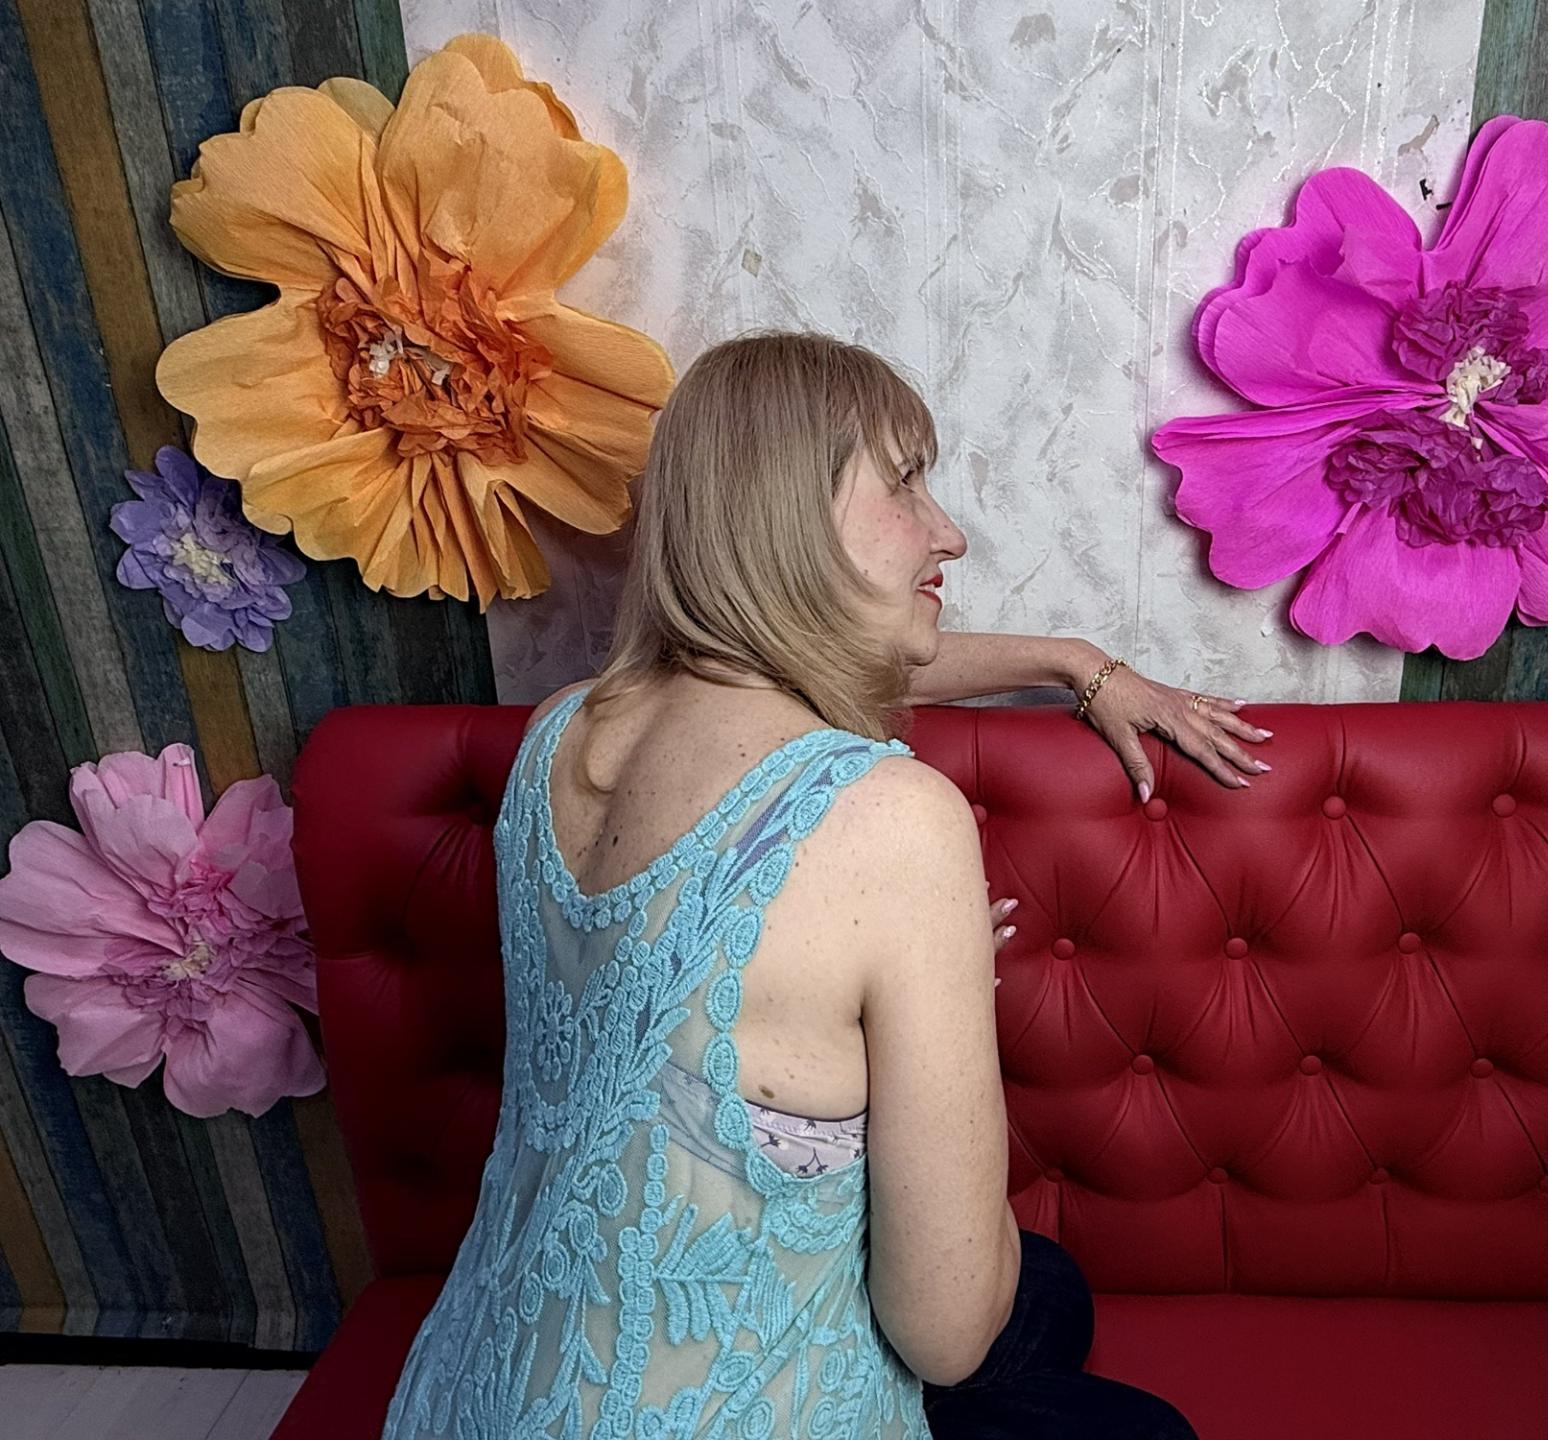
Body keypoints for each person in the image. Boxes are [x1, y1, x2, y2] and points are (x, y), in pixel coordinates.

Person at [382, 332, 1268, 1440]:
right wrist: (929, 1016)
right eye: (904, 483)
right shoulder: (891, 819)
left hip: (473, 1394)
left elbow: (796, 658)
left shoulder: (563, 733)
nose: (947, 530)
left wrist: (1072, 662)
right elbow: (946, 1336)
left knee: (1049, 1292)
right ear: (787, 517)